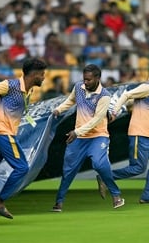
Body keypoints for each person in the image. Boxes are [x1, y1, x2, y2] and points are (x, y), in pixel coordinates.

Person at [0, 58, 47, 220]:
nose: (44, 78)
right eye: (42, 75)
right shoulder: (10, 85)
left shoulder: (27, 91)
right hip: (2, 132)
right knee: (22, 167)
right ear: (34, 75)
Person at [51, 64, 125, 212]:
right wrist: (59, 109)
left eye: (89, 80)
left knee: (99, 164)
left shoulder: (104, 96)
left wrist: (77, 132)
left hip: (98, 136)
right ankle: (59, 202)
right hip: (80, 137)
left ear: (98, 78)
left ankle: (116, 195)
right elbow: (71, 100)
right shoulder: (79, 87)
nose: (86, 82)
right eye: (84, 79)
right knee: (68, 170)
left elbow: (96, 120)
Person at [110, 61, 149, 204]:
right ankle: (107, 177)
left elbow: (132, 100)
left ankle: (148, 196)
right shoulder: (147, 87)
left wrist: (130, 106)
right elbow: (126, 95)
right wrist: (114, 112)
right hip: (140, 134)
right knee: (137, 168)